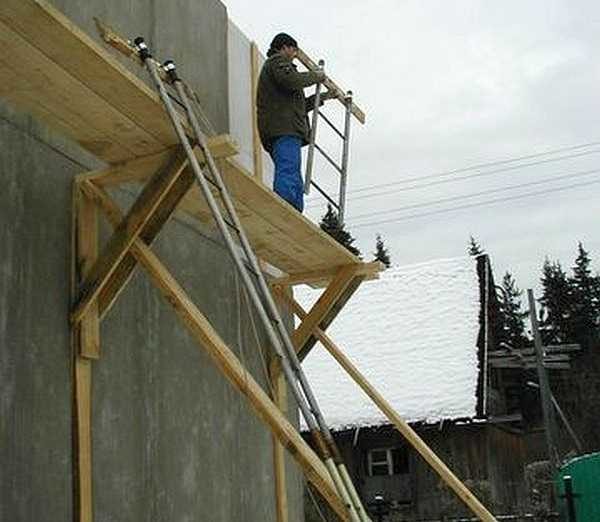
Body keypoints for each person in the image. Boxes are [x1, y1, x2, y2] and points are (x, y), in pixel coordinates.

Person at [256, 32, 331, 212]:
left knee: (294, 175)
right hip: (282, 129)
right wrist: (316, 76)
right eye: (294, 50)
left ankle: (295, 211)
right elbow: (291, 81)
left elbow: (300, 106)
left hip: (286, 128)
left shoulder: (282, 71)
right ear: (284, 47)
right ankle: (284, 209)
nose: (295, 54)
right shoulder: (277, 62)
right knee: (288, 171)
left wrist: (325, 97)